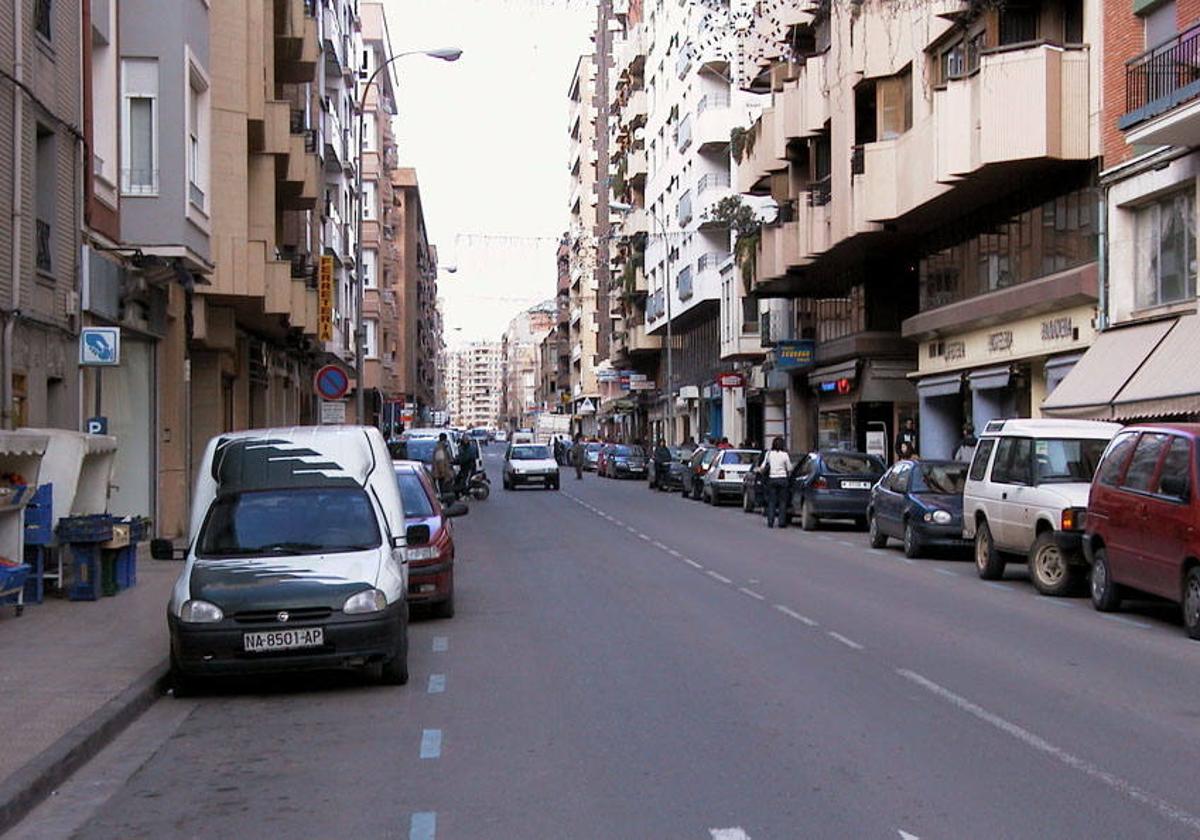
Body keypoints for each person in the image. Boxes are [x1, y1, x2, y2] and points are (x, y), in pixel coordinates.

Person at [757, 437, 793, 528]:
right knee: (782, 501)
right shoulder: (785, 455)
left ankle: (770, 521)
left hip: (772, 479)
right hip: (783, 479)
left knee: (772, 501)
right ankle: (781, 522)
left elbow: (762, 467)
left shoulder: (769, 454)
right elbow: (789, 468)